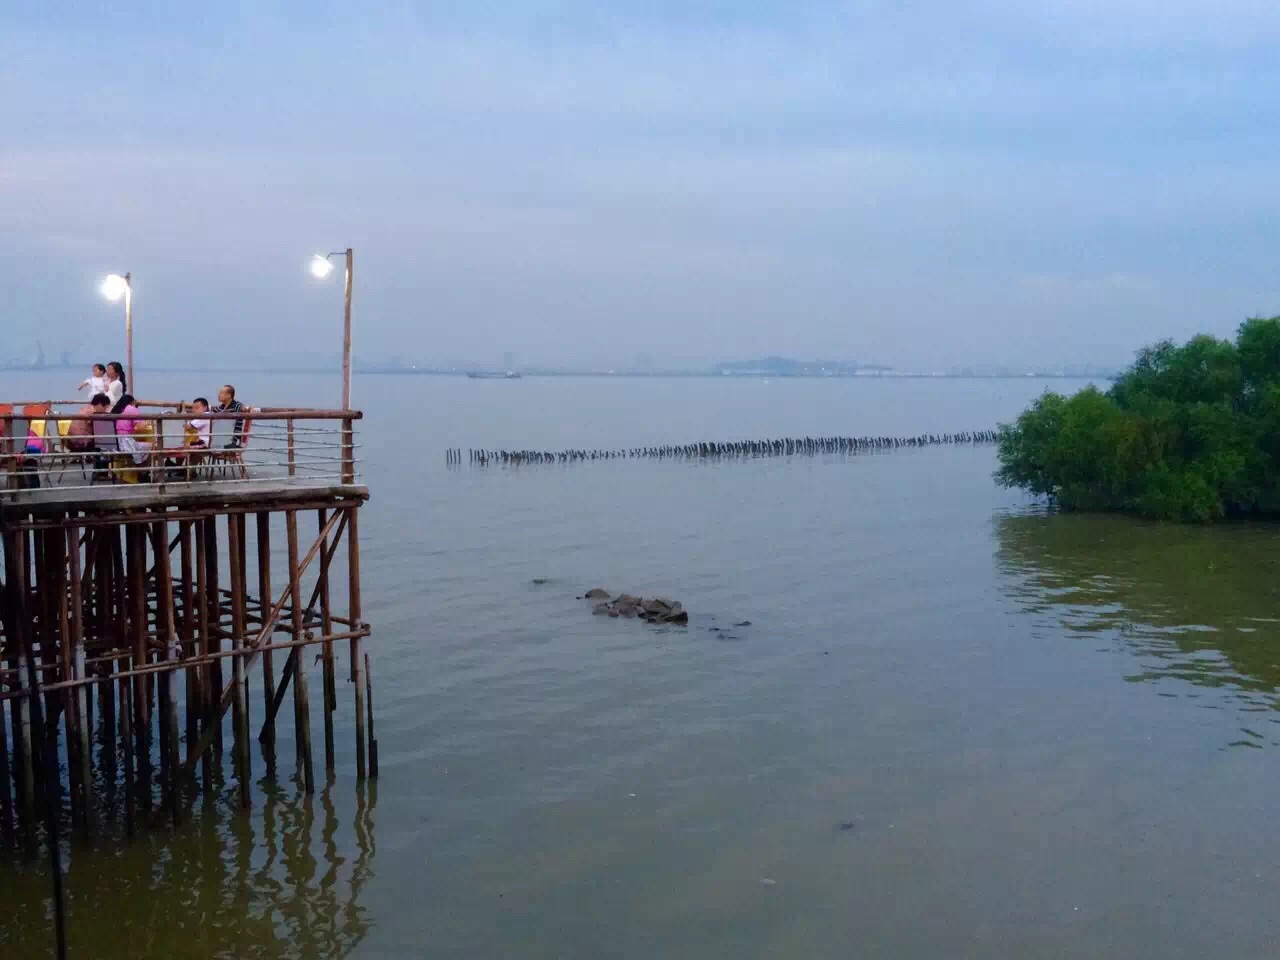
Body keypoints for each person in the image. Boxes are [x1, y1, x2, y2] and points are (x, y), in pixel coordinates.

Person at [112, 393, 151, 467]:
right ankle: (141, 467)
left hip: (116, 445)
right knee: (150, 446)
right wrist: (147, 423)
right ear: (132, 402)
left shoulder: (117, 410)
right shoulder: (131, 409)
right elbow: (141, 427)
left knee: (138, 447)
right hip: (127, 444)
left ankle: (138, 465)